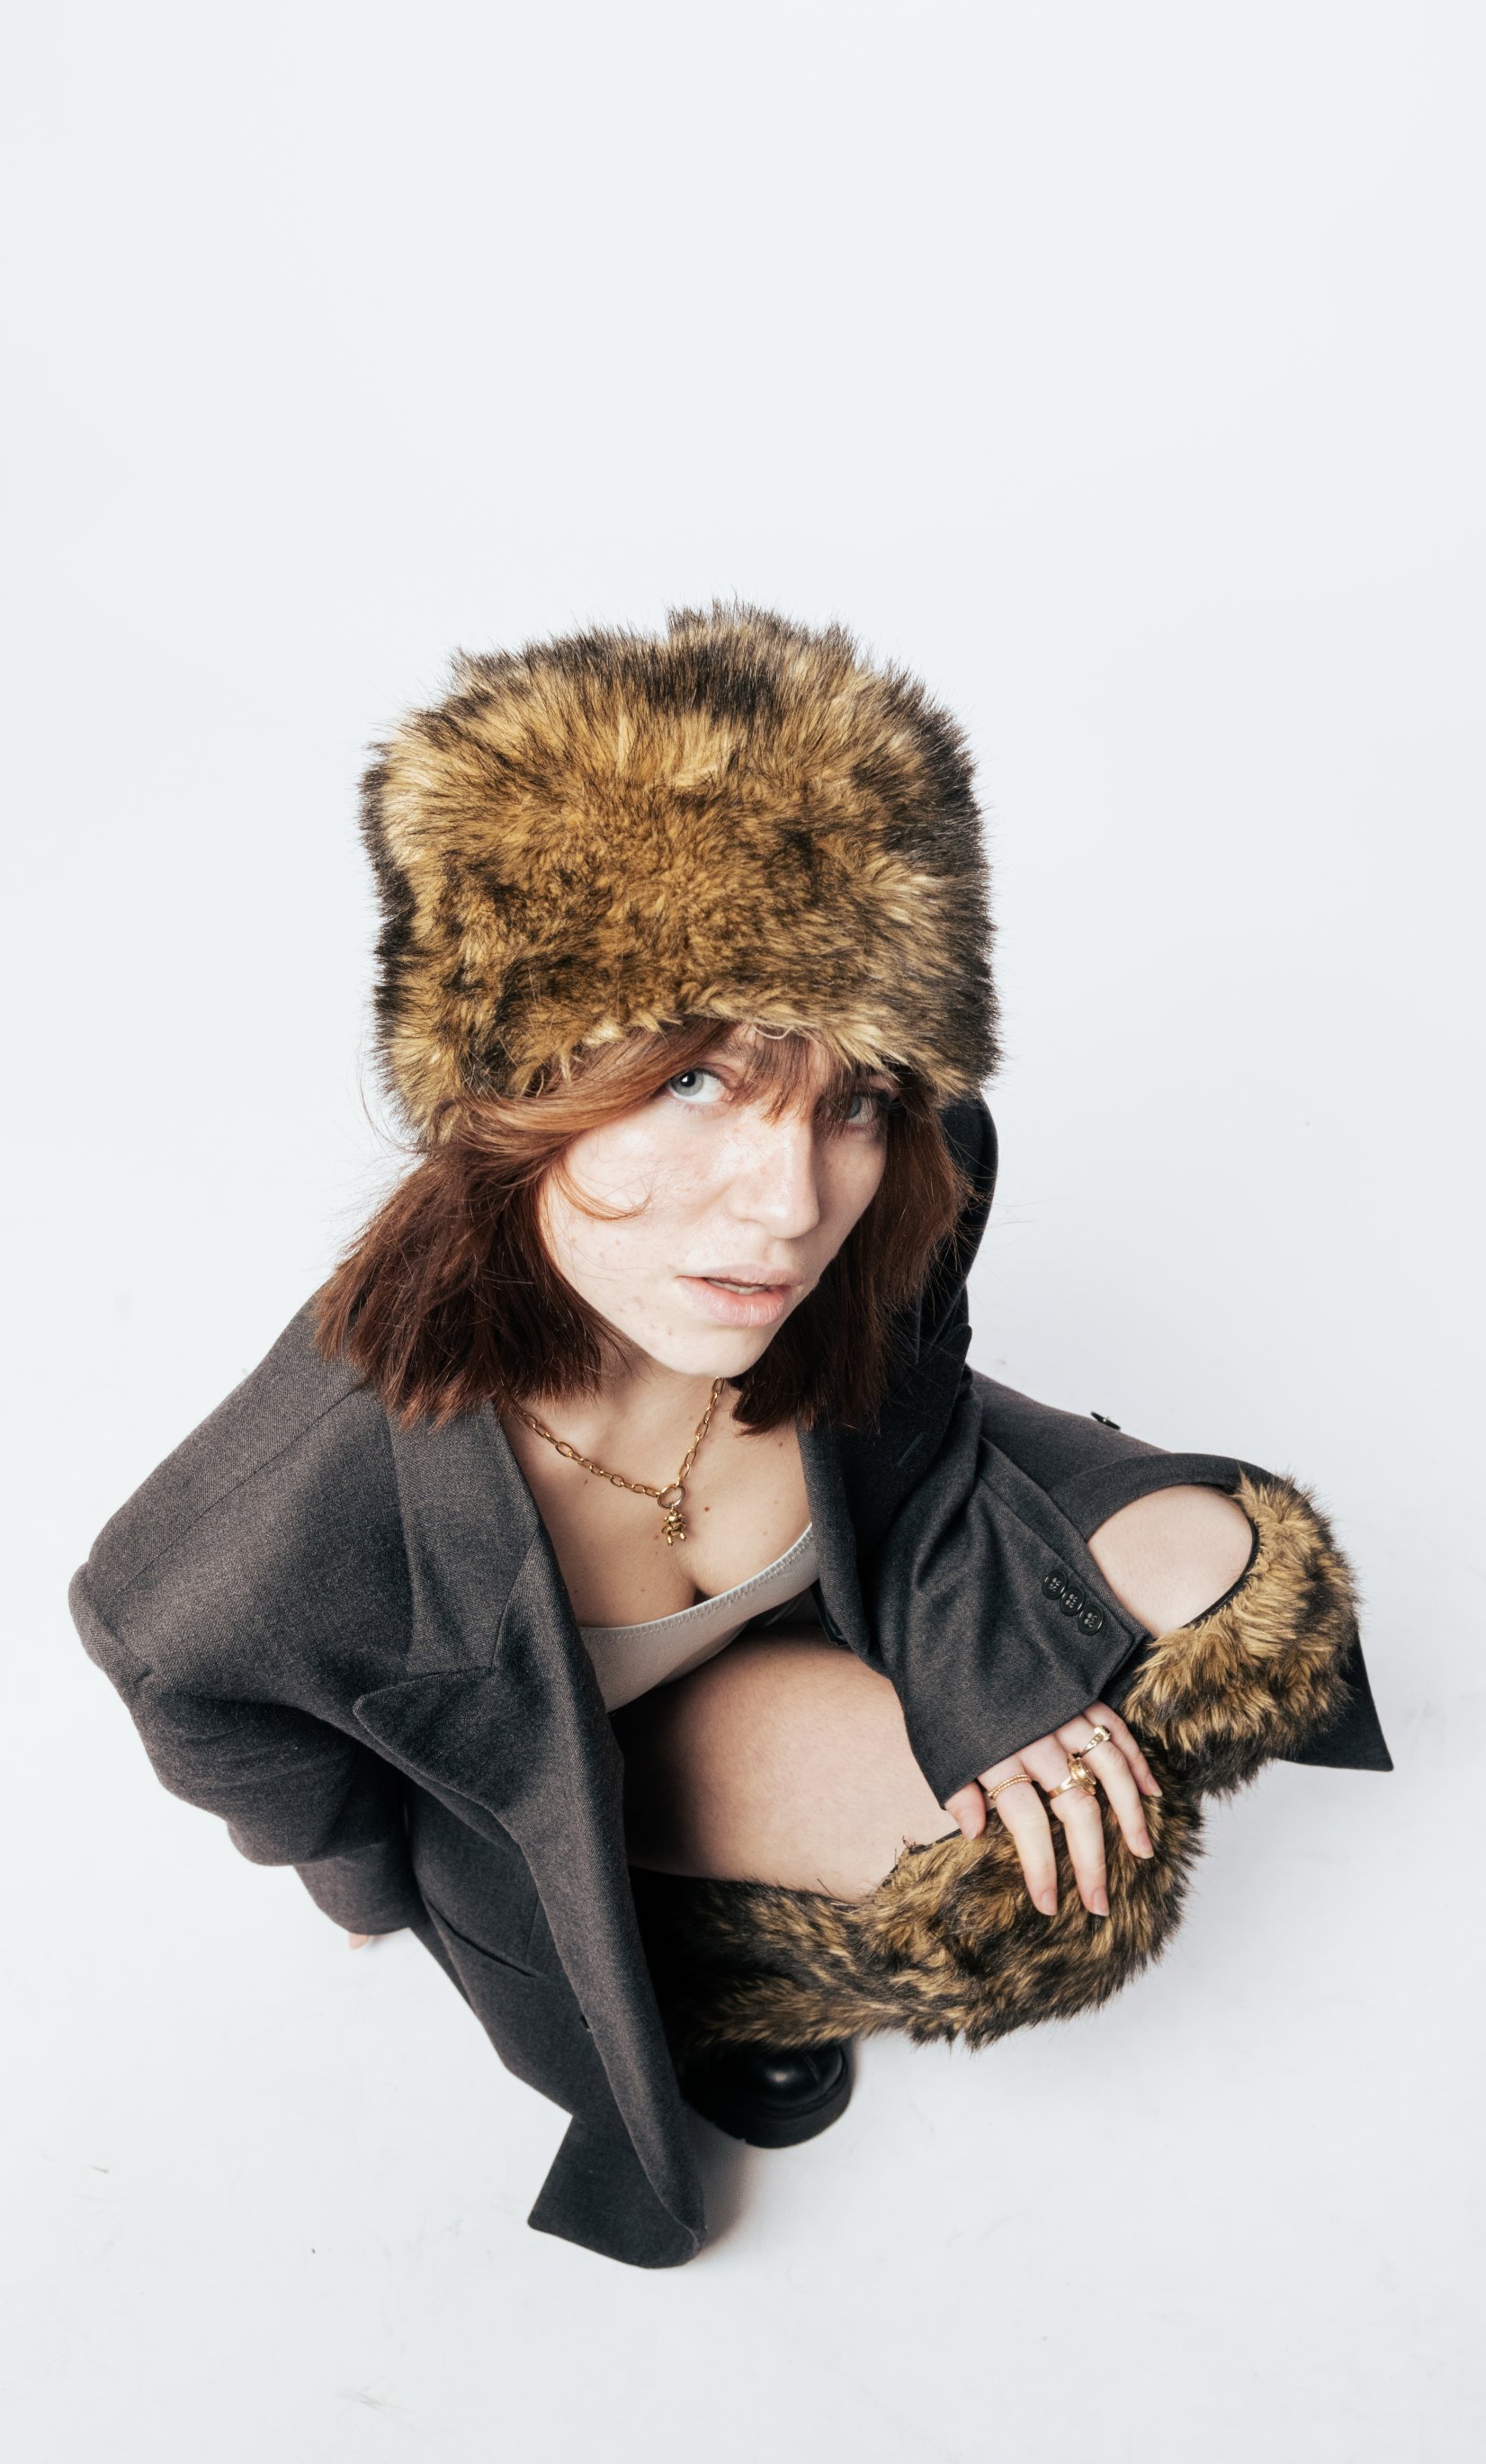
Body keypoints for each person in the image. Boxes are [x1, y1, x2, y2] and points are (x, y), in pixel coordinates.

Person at [68, 603, 1393, 2272]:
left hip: (856, 1553)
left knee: (1219, 1565)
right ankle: (689, 1969)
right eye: (696, 1082)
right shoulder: (230, 1560)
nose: (789, 1208)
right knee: (1020, 1881)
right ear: (512, 1087)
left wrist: (980, 1664)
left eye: (850, 1100)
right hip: (589, 1757)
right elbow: (267, 1767)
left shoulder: (916, 1177)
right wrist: (388, 1901)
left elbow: (920, 1401)